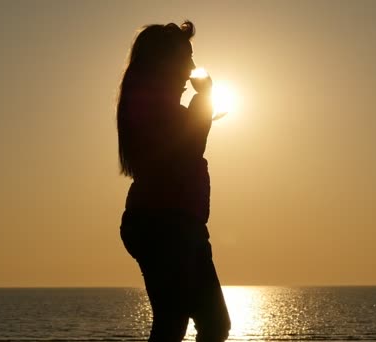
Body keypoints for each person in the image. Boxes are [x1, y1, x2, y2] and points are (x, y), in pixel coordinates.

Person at [116, 21, 231, 342]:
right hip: (167, 225)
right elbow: (191, 146)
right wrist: (205, 96)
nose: (192, 68)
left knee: (174, 321)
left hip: (170, 224)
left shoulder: (152, 107)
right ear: (165, 62)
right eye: (187, 58)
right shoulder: (153, 109)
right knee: (208, 323)